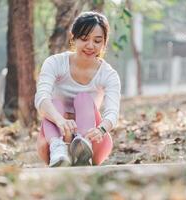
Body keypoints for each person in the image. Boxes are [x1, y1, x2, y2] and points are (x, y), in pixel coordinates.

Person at [35, 11, 121, 167]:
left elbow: (113, 112)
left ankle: (83, 149)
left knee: (84, 99)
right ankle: (59, 150)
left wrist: (101, 130)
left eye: (97, 41)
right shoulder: (55, 63)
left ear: (104, 43)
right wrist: (60, 120)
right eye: (84, 39)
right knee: (53, 104)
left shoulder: (108, 75)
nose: (90, 46)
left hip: (93, 140)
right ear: (73, 38)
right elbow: (41, 98)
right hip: (54, 139)